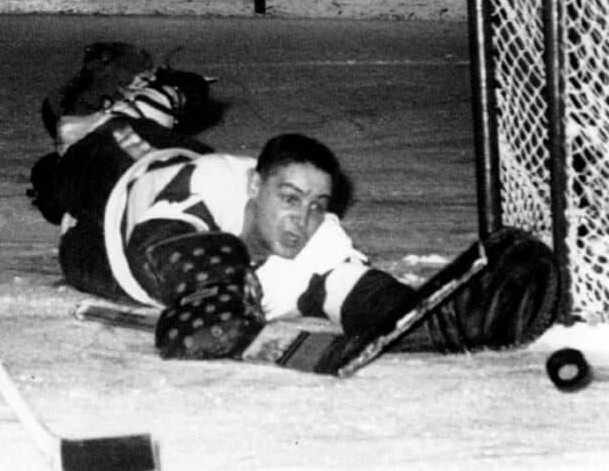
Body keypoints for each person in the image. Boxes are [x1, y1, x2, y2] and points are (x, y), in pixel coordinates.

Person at [31, 63, 565, 361]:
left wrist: (444, 317)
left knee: (65, 219)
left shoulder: (317, 237)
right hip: (123, 170)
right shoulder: (205, 183)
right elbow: (157, 244)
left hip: (93, 254)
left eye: (315, 207)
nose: (301, 221)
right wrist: (217, 284)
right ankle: (143, 106)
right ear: (255, 185)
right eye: (289, 199)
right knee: (62, 168)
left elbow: (361, 296)